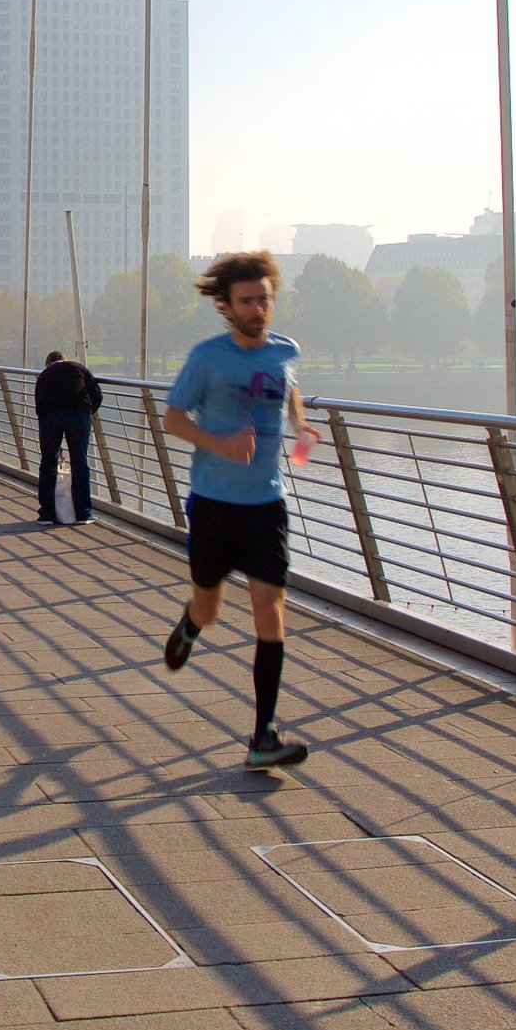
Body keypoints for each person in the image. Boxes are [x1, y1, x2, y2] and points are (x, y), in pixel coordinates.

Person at [158, 251, 321, 771]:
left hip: (266, 504)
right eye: (248, 301)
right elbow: (173, 419)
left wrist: (300, 426)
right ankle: (190, 625)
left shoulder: (285, 350)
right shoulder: (207, 357)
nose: (258, 309)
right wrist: (221, 444)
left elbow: (288, 387)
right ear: (226, 306)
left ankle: (263, 736)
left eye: (264, 300)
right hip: (214, 503)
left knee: (270, 609)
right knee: (210, 607)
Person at [34, 349, 103, 525]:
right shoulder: (79, 368)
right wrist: (88, 412)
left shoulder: (44, 375)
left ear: (48, 364)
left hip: (50, 416)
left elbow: (38, 401)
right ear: (65, 360)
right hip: (78, 414)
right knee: (80, 461)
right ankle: (83, 514)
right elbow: (97, 394)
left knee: (48, 462)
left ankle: (47, 515)